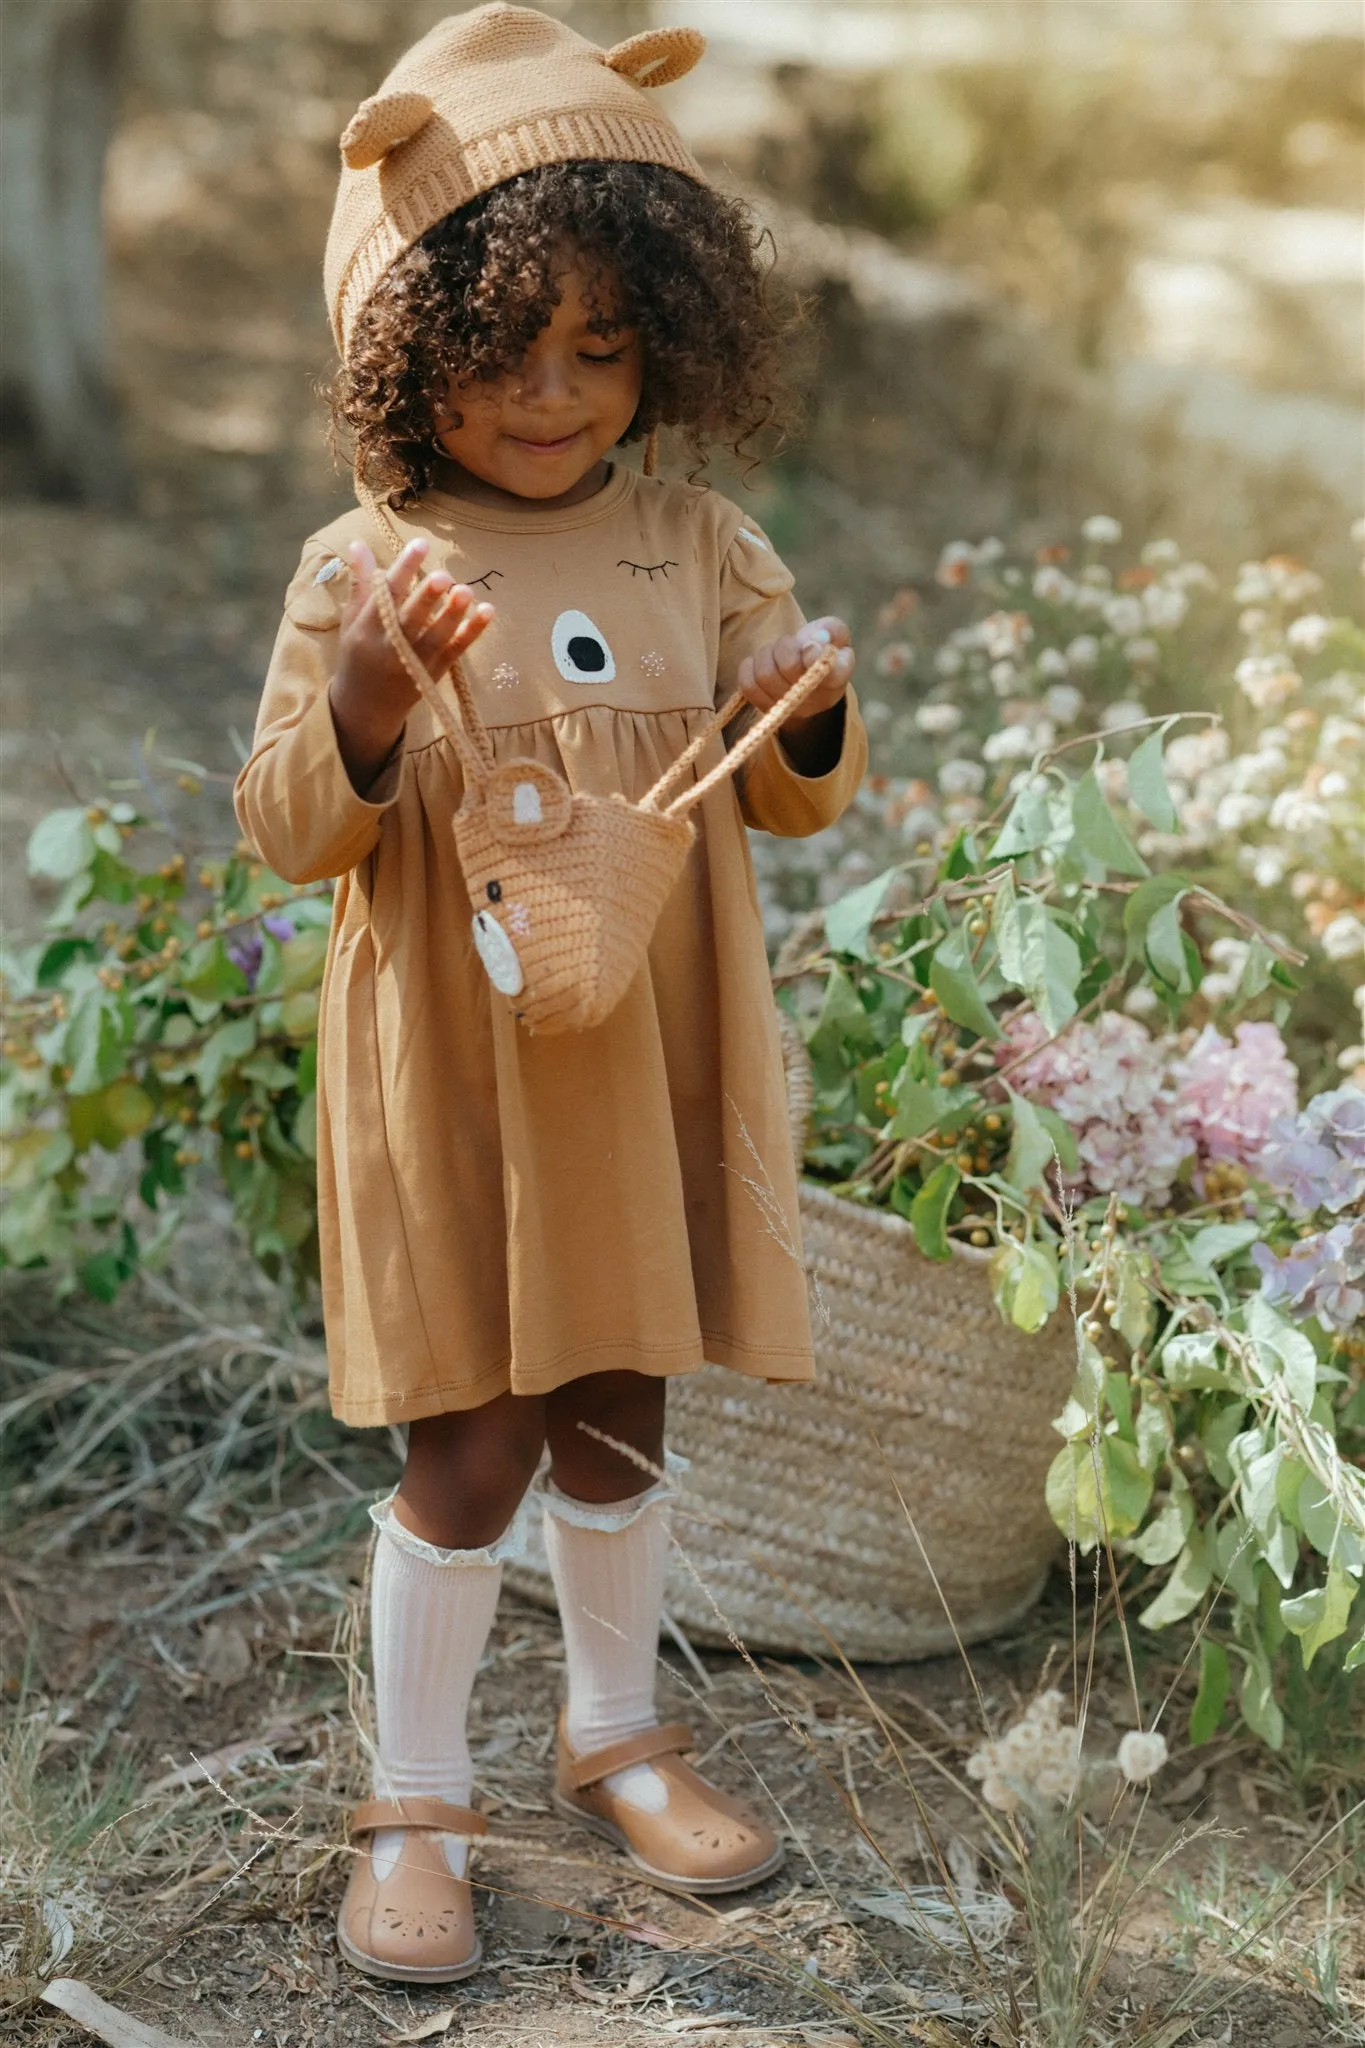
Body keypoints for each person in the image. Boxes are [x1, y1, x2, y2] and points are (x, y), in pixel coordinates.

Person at [235, 3, 866, 1988]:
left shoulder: (697, 543)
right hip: (463, 1077)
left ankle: (612, 1735)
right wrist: (360, 707)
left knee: (619, 1407)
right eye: (508, 351)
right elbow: (287, 832)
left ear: (670, 339)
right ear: (403, 339)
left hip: (646, 1066)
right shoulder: (372, 564)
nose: (559, 396)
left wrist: (809, 707)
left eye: (605, 349)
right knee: (475, 1437)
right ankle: (414, 1796)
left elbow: (789, 796)